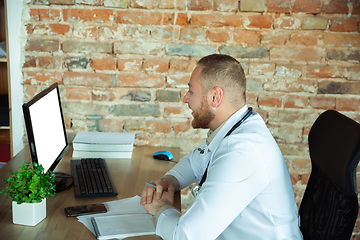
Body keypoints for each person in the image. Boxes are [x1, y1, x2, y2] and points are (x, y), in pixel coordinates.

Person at [140, 54, 303, 240]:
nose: (186, 99)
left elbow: (186, 236)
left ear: (215, 96)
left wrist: (161, 209)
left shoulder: (243, 150)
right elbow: (195, 163)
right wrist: (169, 181)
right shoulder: (236, 127)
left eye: (191, 91)